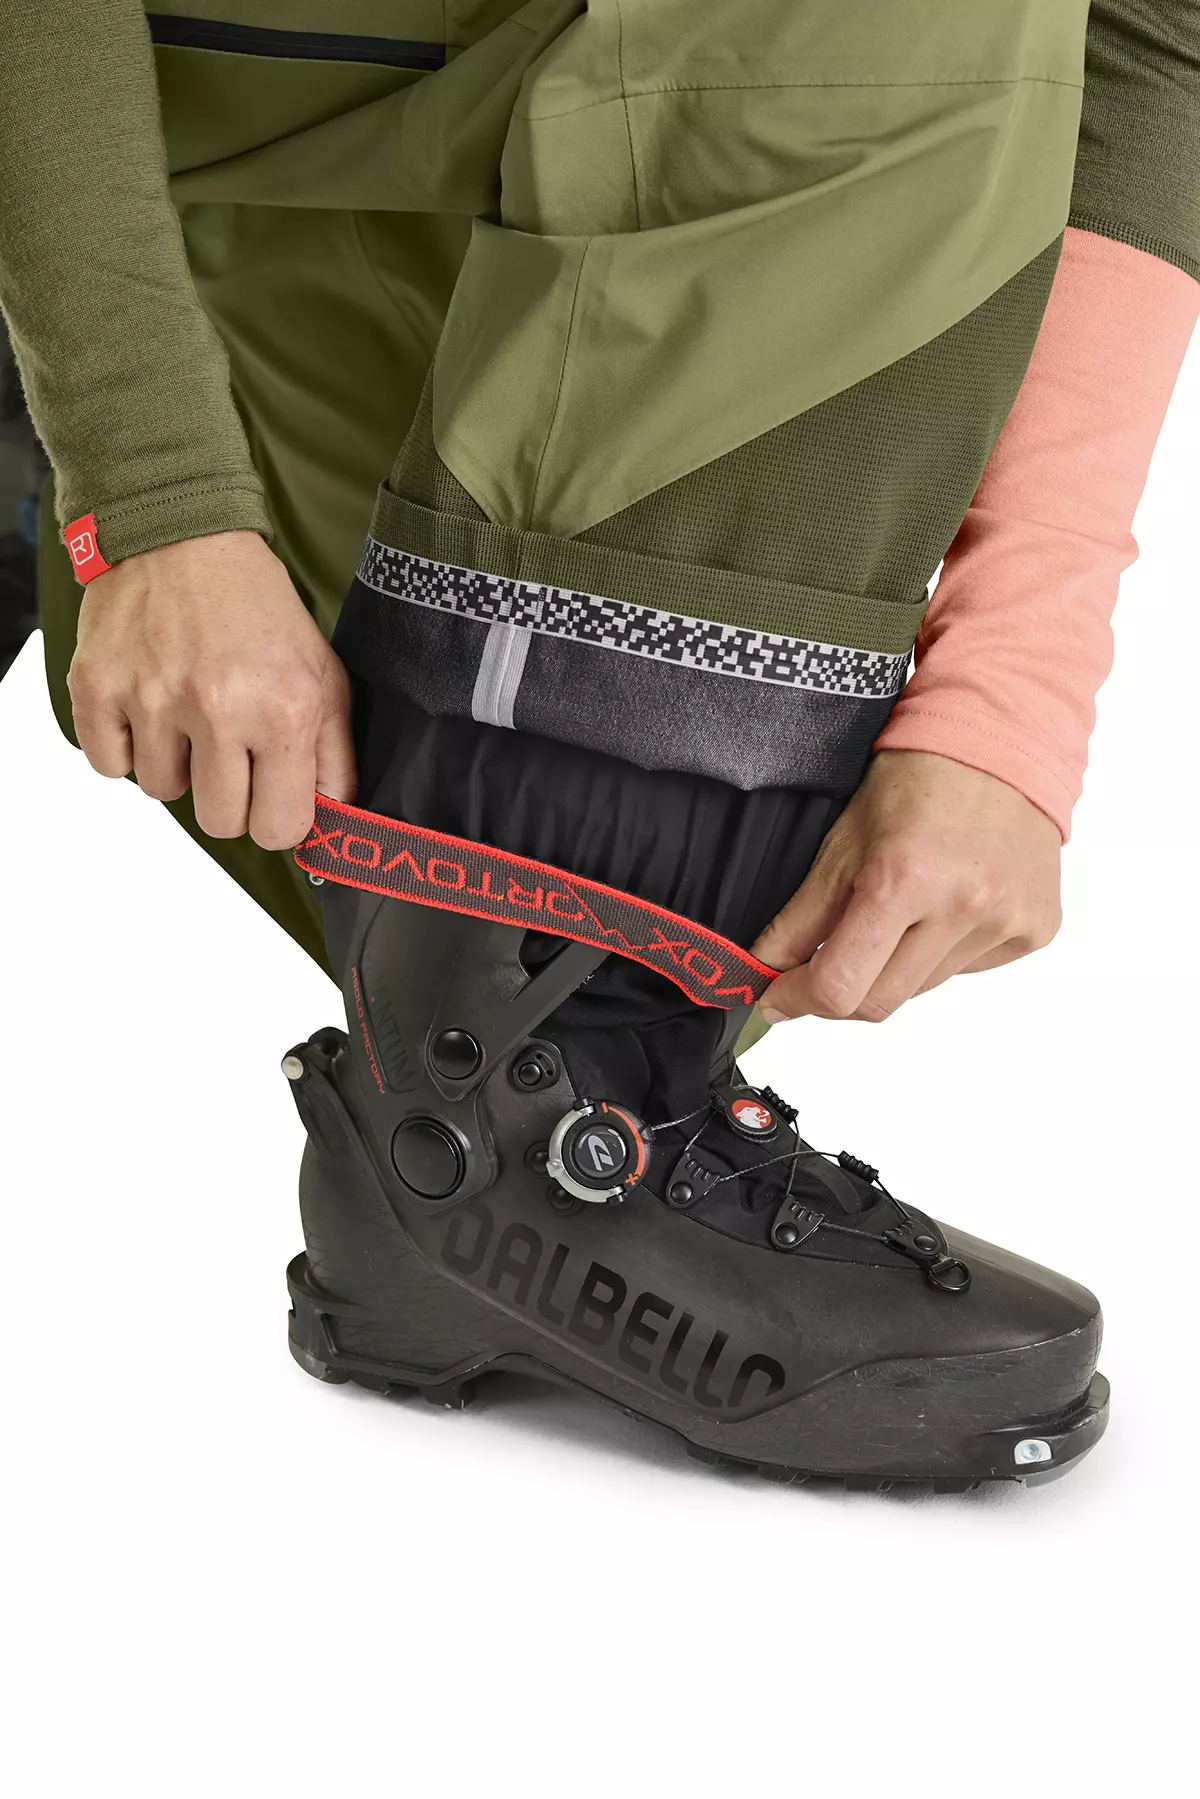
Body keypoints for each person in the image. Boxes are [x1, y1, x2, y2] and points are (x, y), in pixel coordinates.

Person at [2, 1, 1196, 1485]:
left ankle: (538, 1120)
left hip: (540, 166)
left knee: (594, 908)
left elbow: (1147, 30)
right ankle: (517, 1130)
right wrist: (153, 489)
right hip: (178, 120)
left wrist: (1008, 699)